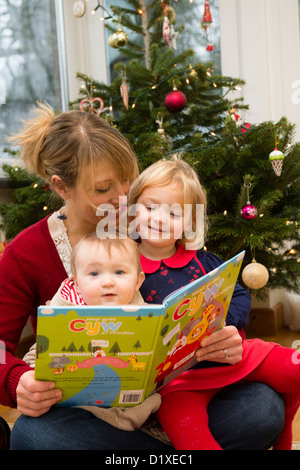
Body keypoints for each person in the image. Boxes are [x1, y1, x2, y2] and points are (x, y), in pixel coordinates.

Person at [0, 102, 284, 450]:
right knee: (33, 435)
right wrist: (17, 382)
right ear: (61, 187)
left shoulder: (155, 222)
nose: (123, 199)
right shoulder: (27, 252)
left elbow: (210, 286)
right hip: (94, 416)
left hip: (183, 399)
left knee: (263, 408)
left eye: (127, 180)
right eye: (104, 189)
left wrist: (227, 334)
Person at [128, 156, 300, 450]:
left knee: (293, 368)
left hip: (227, 358)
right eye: (149, 207)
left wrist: (223, 322)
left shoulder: (204, 262)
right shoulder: (123, 265)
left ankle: (283, 435)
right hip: (177, 385)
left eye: (173, 213)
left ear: (189, 223)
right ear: (132, 210)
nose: (158, 219)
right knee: (192, 438)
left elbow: (240, 296)